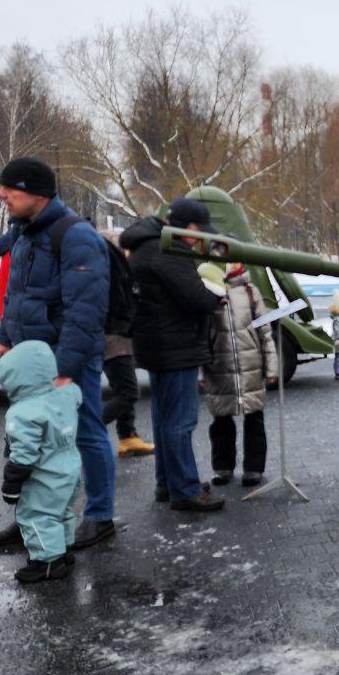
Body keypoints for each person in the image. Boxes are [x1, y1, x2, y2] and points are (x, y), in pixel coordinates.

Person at [0, 157, 117, 552]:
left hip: (66, 359)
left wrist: (66, 367)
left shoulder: (76, 236)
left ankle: (99, 515)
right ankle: (31, 519)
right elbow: (17, 294)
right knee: (28, 437)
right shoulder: (24, 232)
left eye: (11, 188)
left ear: (36, 193)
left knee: (86, 432)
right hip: (29, 356)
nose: (1, 194)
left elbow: (87, 309)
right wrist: (4, 337)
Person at [120, 198, 226, 512]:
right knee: (180, 422)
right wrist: (215, 298)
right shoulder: (167, 251)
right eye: (199, 231)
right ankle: (185, 489)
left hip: (156, 346)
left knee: (165, 420)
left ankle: (167, 484)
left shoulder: (146, 245)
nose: (201, 238)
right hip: (175, 347)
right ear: (184, 227)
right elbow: (195, 297)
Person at [0, 341, 82, 584]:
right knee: (61, 510)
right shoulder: (66, 394)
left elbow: (24, 455)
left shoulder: (22, 412)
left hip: (44, 475)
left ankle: (48, 563)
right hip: (69, 468)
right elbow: (75, 394)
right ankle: (64, 551)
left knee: (36, 516)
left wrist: (11, 486)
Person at [200, 263, 277, 487]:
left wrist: (271, 367)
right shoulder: (210, 290)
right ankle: (222, 467)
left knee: (254, 419)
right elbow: (203, 335)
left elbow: (265, 333)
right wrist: (201, 371)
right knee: (221, 421)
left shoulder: (251, 292)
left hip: (250, 367)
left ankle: (254, 468)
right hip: (219, 368)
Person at [99, 228, 154, 458]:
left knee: (123, 388)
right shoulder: (114, 269)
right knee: (129, 392)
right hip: (115, 337)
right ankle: (86, 427)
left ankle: (128, 436)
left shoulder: (111, 267)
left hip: (117, 335)